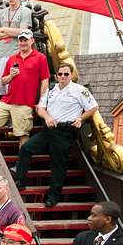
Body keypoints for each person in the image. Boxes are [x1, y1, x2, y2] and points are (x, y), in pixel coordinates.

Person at [17, 63, 99, 207]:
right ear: (56, 75)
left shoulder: (80, 90)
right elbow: (40, 108)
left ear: (71, 75)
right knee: (26, 148)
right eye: (60, 74)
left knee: (57, 164)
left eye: (66, 74)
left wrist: (81, 118)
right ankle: (20, 181)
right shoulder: (51, 89)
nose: (62, 77)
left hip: (65, 131)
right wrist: (47, 117)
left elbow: (93, 107)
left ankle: (53, 196)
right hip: (49, 128)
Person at [0, 30, 49, 148]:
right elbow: (3, 81)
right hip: (7, 100)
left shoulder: (40, 57)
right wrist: (11, 75)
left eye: (25, 40)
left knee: (23, 134)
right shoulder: (12, 58)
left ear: (32, 41)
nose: (23, 42)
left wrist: (42, 102)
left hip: (25, 103)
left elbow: (44, 81)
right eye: (21, 40)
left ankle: (21, 165)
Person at [0, 0, 33, 115]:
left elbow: (23, 32)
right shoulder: (0, 13)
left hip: (15, 54)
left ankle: (11, 118)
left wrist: (4, 30)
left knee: (12, 87)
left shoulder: (25, 12)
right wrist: (11, 33)